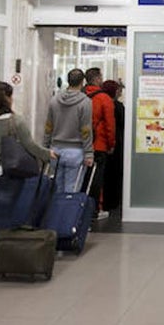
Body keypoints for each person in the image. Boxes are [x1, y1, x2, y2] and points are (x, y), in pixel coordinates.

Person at [0, 81, 54, 262]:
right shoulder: (14, 122)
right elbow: (30, 146)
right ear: (6, 100)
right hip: (3, 175)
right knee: (3, 215)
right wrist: (48, 154)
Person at [42, 69, 93, 193]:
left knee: (56, 190)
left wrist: (45, 148)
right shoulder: (85, 102)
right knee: (71, 191)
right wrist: (88, 153)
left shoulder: (54, 100)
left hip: (56, 150)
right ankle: (67, 212)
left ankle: (56, 212)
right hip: (76, 152)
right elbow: (85, 130)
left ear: (67, 81)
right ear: (82, 82)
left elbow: (49, 126)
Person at [84, 67, 116, 218]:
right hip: (99, 144)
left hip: (81, 144)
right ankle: (95, 210)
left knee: (82, 179)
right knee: (96, 179)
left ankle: (79, 208)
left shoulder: (80, 95)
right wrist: (111, 144)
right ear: (97, 79)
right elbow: (110, 125)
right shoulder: (104, 98)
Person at [102, 79, 126, 212]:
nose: (120, 92)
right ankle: (114, 201)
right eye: (119, 90)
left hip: (104, 144)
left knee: (106, 174)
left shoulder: (100, 102)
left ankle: (106, 202)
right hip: (115, 143)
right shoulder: (117, 106)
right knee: (115, 173)